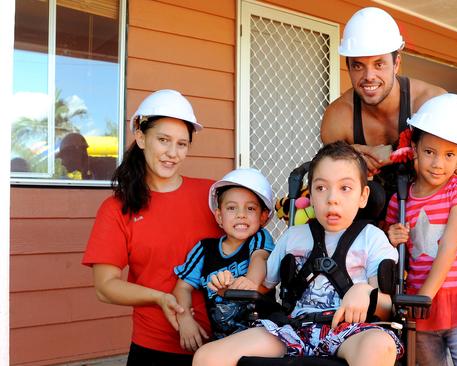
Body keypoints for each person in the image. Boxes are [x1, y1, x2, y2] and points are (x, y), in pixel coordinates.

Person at [193, 141, 402, 366]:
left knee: (379, 345)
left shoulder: (372, 238)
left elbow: (388, 307)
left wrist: (365, 292)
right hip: (294, 329)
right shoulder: (293, 236)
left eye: (345, 188)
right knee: (207, 357)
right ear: (310, 195)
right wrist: (231, 285)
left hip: (350, 331)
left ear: (363, 196)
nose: (332, 198)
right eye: (321, 188)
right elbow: (261, 287)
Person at [82, 89, 221, 366]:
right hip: (153, 348)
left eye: (182, 144)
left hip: (221, 346)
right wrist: (160, 298)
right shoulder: (117, 209)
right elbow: (105, 287)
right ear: (141, 137)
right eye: (163, 140)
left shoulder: (212, 195)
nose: (172, 153)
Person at [385, 94, 457, 366]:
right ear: (414, 148)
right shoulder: (400, 201)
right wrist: (391, 236)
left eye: (449, 155)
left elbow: (450, 244)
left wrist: (426, 294)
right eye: (429, 152)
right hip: (419, 306)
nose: (437, 164)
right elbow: (385, 243)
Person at [320, 7, 446, 200]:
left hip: (430, 212)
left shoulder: (431, 102)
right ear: (349, 68)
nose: (369, 77)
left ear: (396, 64)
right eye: (358, 66)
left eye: (379, 64)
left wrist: (392, 152)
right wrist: (352, 161)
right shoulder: (338, 117)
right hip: (367, 219)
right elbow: (330, 182)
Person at [171, 168, 275, 352]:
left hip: (260, 333)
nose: (241, 214)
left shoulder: (258, 237)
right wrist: (185, 318)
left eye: (250, 208)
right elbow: (183, 287)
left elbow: (260, 258)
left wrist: (250, 281)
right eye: (231, 208)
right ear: (219, 216)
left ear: (263, 217)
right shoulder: (205, 249)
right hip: (222, 338)